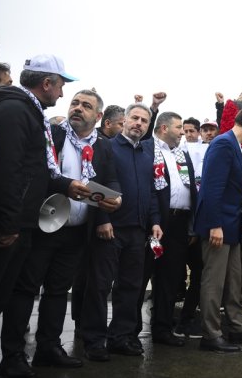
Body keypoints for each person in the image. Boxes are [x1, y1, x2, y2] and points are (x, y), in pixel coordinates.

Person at [0, 90, 121, 375]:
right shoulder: (51, 134)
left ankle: (48, 348)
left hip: (76, 232)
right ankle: (13, 356)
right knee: (25, 290)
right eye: (75, 103)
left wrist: (115, 200)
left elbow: (110, 180)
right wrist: (66, 185)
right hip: (42, 228)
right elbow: (37, 173)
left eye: (86, 106)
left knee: (57, 291)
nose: (78, 108)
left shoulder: (103, 147)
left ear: (98, 116)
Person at [0, 53, 77, 378]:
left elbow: (37, 171)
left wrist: (69, 186)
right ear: (47, 83)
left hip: (21, 222)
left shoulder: (29, 112)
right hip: (7, 225)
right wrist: (9, 224)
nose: (62, 94)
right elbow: (7, 171)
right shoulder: (14, 110)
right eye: (61, 86)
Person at [82, 103, 162, 362]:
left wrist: (155, 221)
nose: (139, 123)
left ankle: (121, 337)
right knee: (100, 285)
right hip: (110, 229)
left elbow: (150, 191)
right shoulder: (107, 146)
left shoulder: (147, 153)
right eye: (135, 118)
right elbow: (95, 183)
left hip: (138, 231)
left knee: (130, 286)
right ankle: (94, 340)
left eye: (144, 121)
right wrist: (103, 218)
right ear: (125, 120)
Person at [194, 106, 242, 353]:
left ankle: (237, 327)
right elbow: (212, 188)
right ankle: (211, 335)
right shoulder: (223, 144)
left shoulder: (236, 147)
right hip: (219, 228)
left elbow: (237, 192)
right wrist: (214, 225)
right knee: (214, 283)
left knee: (233, 281)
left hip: (233, 227)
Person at [140, 112, 197, 347]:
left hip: (179, 224)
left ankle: (162, 328)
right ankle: (128, 330)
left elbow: (190, 188)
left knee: (170, 278)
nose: (183, 131)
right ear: (163, 128)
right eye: (178, 127)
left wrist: (192, 225)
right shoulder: (147, 150)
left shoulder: (182, 154)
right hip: (155, 223)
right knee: (142, 274)